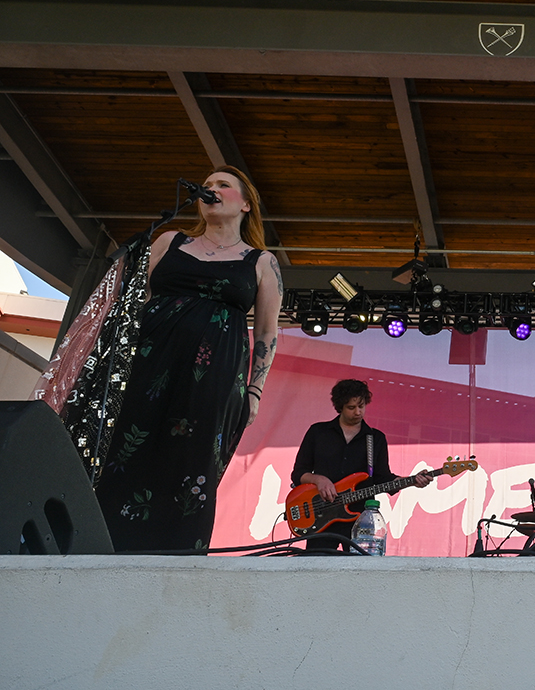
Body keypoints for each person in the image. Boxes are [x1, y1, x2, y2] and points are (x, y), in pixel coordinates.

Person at [95, 166, 282, 552]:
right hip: (148, 362)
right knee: (128, 449)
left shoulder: (261, 262)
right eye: (208, 185)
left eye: (223, 185)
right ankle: (104, 546)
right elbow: (135, 302)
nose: (211, 189)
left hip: (214, 374)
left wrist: (255, 392)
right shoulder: (170, 241)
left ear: (246, 204)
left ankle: (177, 557)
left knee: (190, 462)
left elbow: (266, 333)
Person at [291, 378, 432, 552]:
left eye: (362, 406)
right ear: (340, 406)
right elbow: (298, 473)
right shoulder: (318, 432)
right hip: (321, 516)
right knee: (317, 568)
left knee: (360, 571)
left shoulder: (375, 438)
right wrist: (319, 480)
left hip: (360, 519)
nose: (358, 412)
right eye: (351, 407)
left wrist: (412, 481)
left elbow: (382, 478)